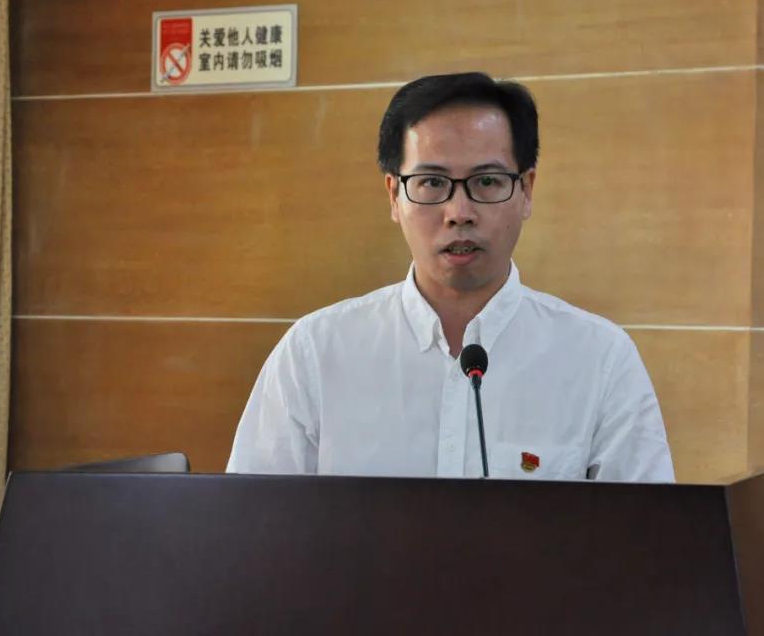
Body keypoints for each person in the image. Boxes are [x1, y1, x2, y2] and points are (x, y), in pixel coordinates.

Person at [226, 72, 673, 482]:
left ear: (526, 191)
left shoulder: (599, 359)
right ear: (394, 196)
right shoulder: (315, 353)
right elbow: (252, 526)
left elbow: (645, 534)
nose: (459, 213)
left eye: (488, 182)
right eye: (432, 183)